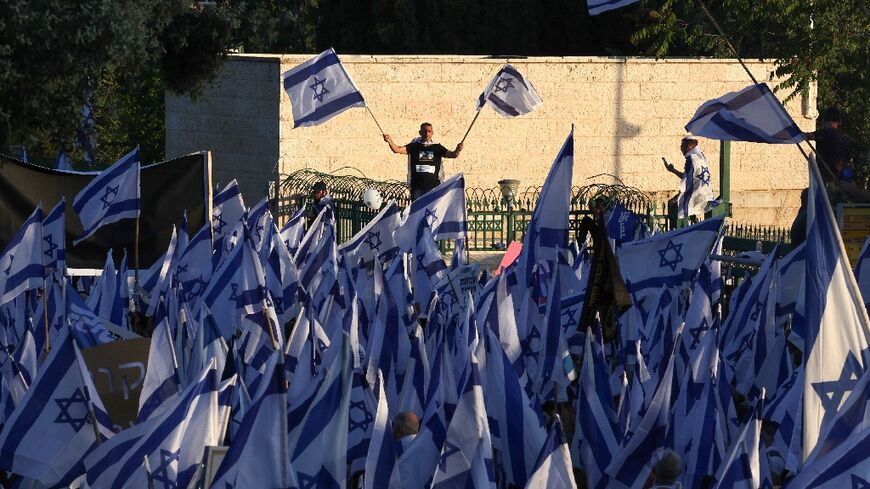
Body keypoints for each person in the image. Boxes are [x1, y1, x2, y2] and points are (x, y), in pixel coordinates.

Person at [383, 122, 464, 200]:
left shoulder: (437, 147)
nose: (427, 134)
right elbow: (397, 149)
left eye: (429, 131)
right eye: (424, 131)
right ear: (420, 132)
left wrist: (458, 149)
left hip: (434, 188)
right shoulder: (414, 146)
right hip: (417, 188)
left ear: (432, 133)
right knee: (417, 212)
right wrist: (389, 141)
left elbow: (453, 155)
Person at [664, 136, 714, 224]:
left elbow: (687, 180)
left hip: (696, 191)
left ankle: (677, 229)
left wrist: (680, 194)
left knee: (673, 204)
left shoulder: (692, 159)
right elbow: (689, 176)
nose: (681, 148)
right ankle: (692, 221)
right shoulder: (700, 157)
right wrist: (673, 170)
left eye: (682, 146)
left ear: (689, 146)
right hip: (704, 191)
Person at [806, 107, 850, 183]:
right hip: (840, 179)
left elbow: (810, 136)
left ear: (828, 121)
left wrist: (796, 134)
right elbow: (848, 161)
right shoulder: (844, 138)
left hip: (825, 178)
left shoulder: (825, 133)